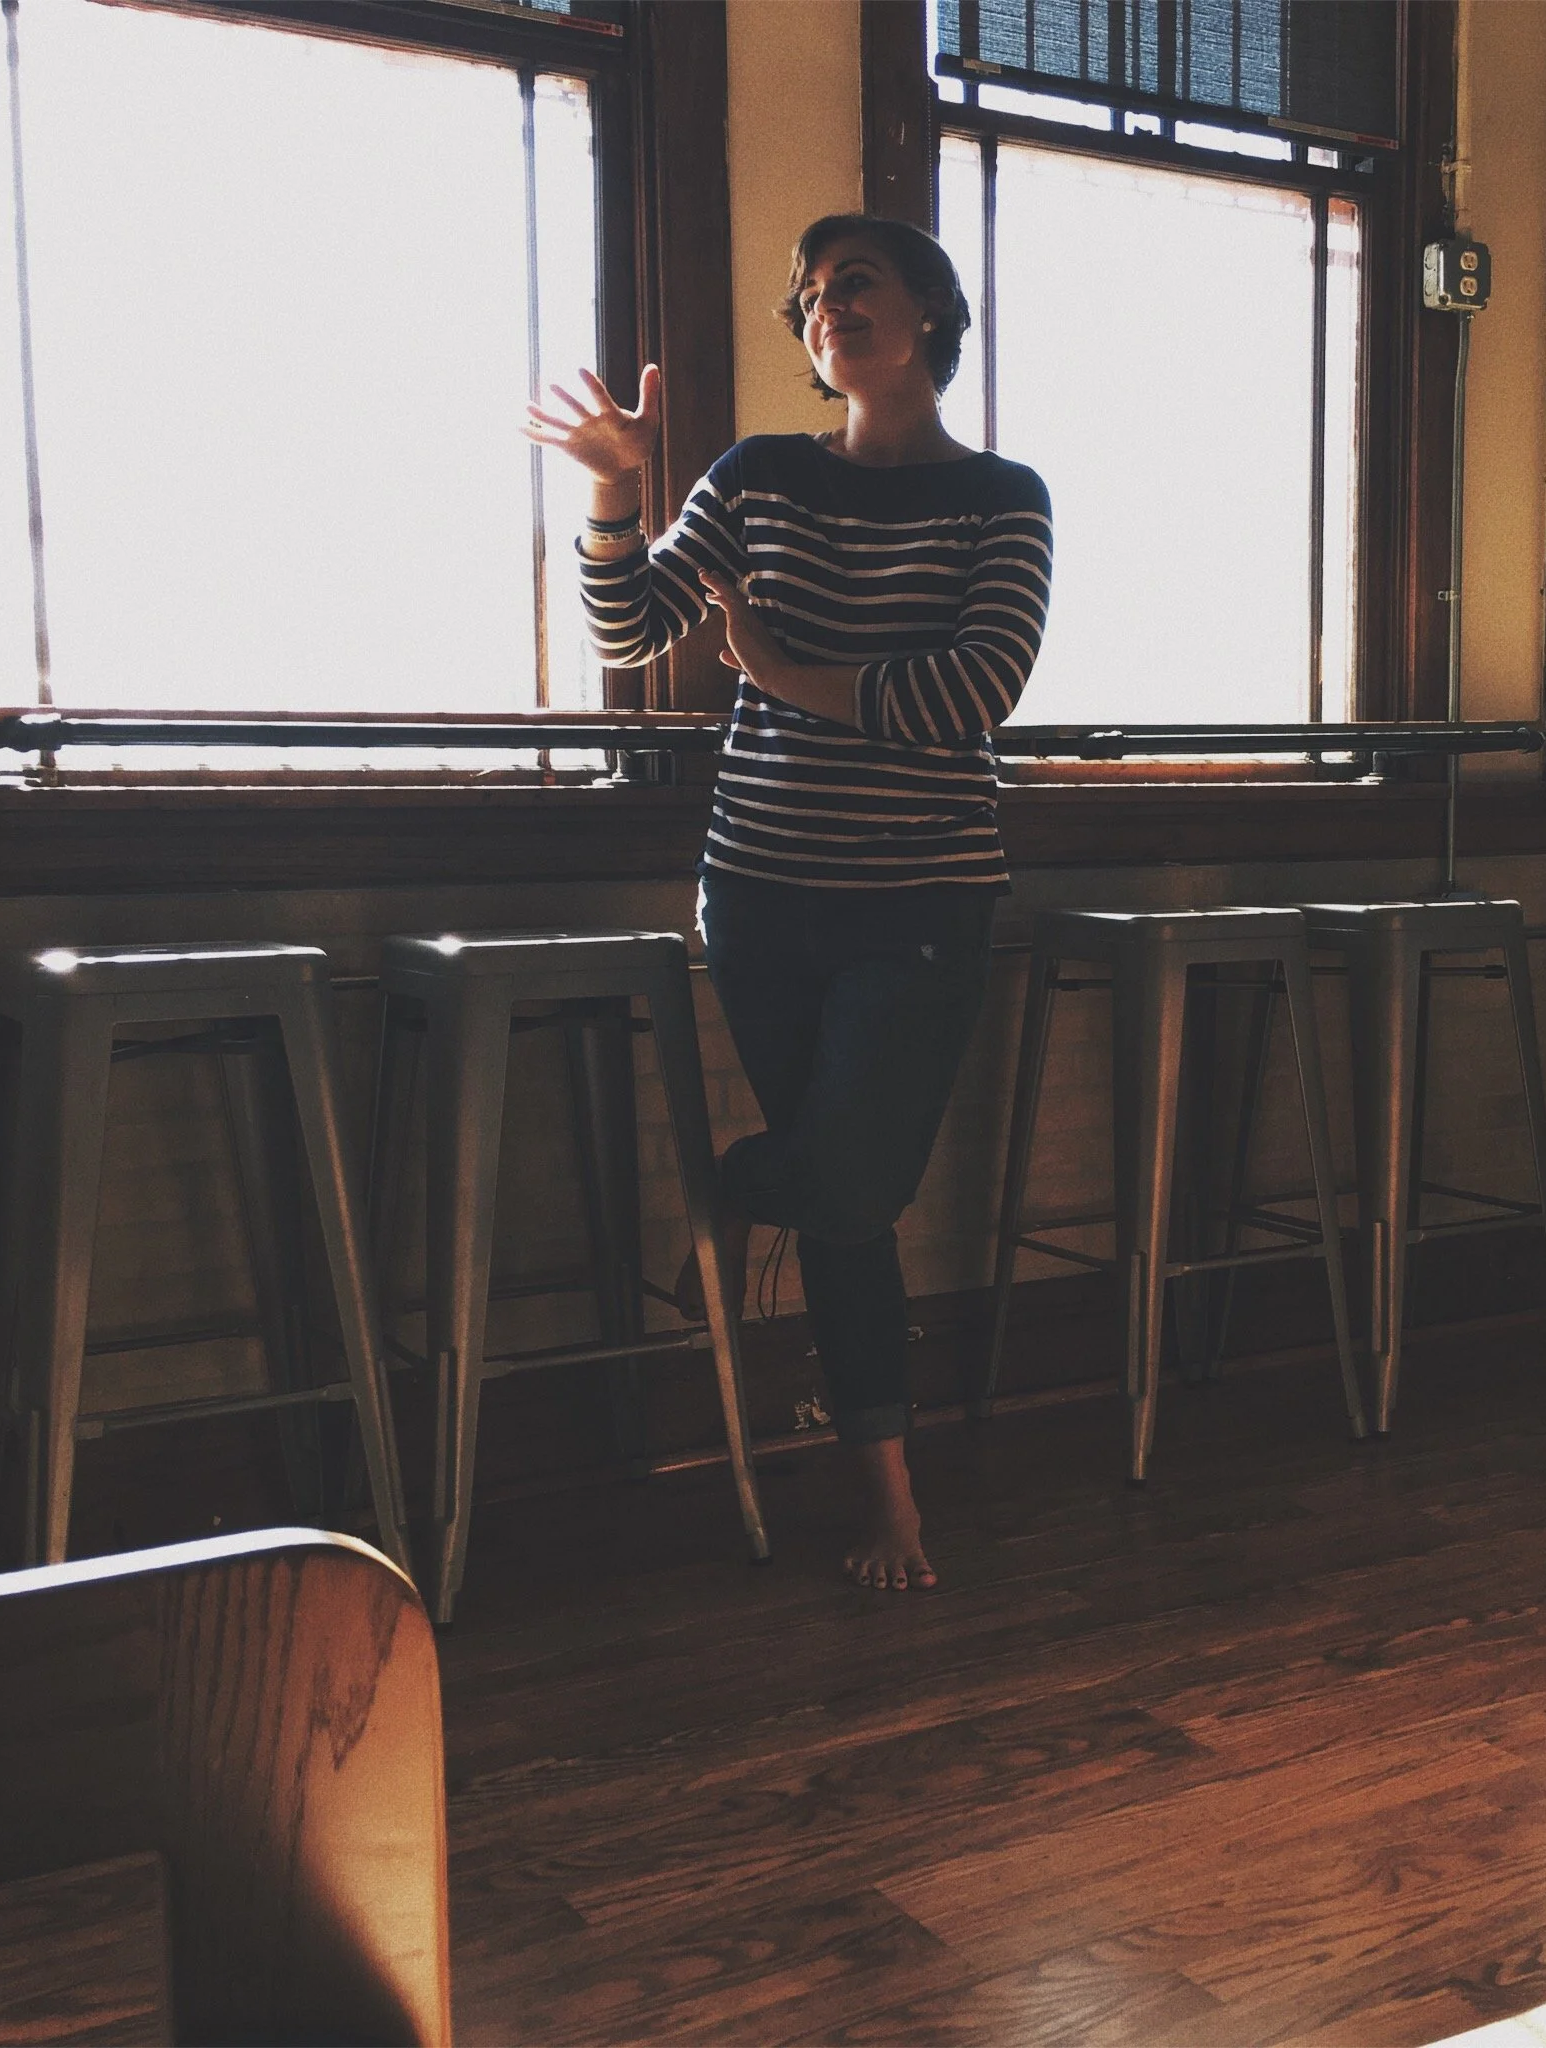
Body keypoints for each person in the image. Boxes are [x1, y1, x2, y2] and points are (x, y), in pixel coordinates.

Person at [524, 214, 1052, 1592]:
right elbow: (632, 635)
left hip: (923, 900)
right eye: (812, 297)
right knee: (853, 1215)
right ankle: (890, 1502)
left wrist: (773, 665)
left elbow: (971, 695)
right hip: (761, 892)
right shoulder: (758, 476)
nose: (830, 310)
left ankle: (732, 1181)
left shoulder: (1005, 498)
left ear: (933, 308)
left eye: (858, 285)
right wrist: (613, 498)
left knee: (848, 1181)